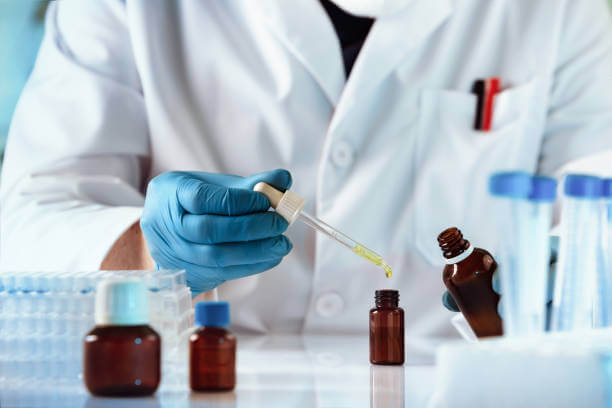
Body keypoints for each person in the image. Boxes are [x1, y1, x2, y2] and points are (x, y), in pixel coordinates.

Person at [2, 0, 612, 337]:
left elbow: (594, 191)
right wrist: (148, 252)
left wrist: (574, 272)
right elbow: (28, 220)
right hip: (205, 380)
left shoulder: (566, 11)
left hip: (448, 383)